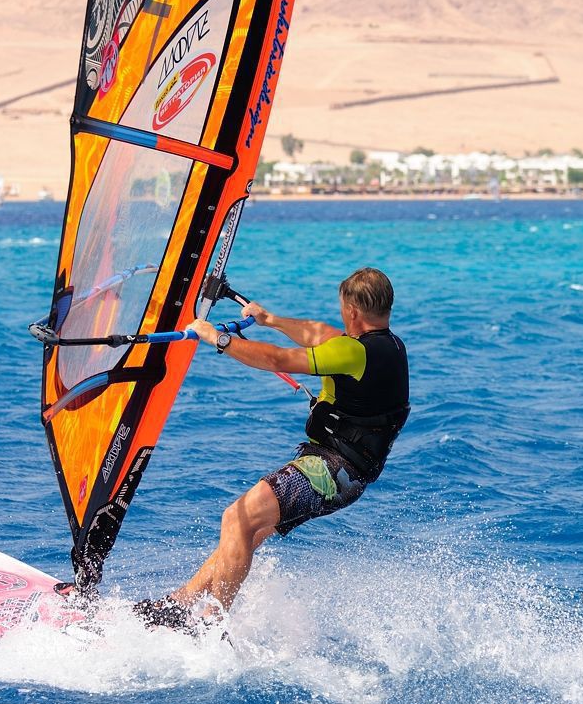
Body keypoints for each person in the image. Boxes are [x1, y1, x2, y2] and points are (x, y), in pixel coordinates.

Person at [134, 267, 410, 631]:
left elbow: (280, 360)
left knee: (237, 519)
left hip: (330, 470)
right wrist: (270, 320)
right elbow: (320, 333)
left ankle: (211, 626)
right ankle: (179, 605)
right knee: (245, 533)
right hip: (348, 474)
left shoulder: (351, 353)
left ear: (353, 311)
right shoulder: (390, 347)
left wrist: (217, 338)